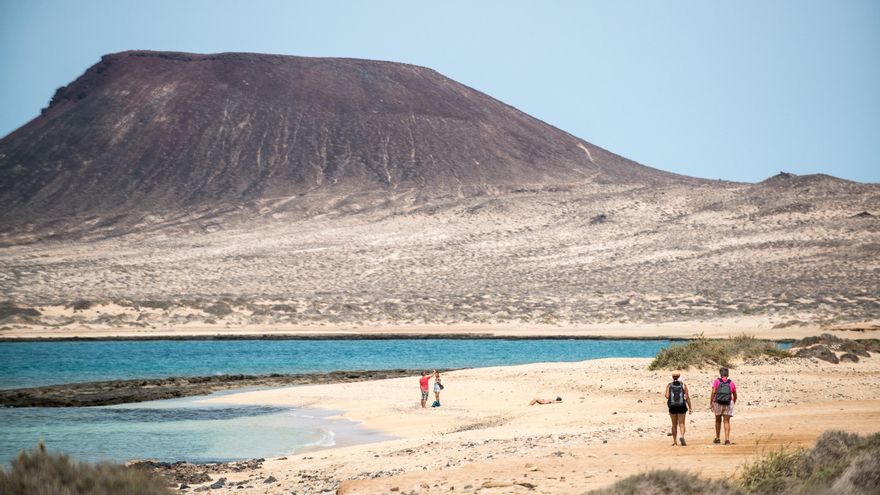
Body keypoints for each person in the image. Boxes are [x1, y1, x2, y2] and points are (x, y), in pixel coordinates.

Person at [710, 367, 737, 445]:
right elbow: (735, 395)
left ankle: (717, 438)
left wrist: (711, 402)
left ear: (720, 374)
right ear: (728, 374)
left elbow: (713, 392)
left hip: (718, 402)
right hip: (728, 403)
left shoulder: (717, 381)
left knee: (718, 420)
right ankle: (727, 440)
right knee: (726, 421)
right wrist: (733, 402)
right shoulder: (731, 383)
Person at [664, 371, 692, 446]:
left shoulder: (669, 385)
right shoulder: (683, 385)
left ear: (672, 378)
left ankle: (675, 442)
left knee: (674, 424)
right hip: (682, 406)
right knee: (682, 423)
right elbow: (687, 397)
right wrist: (690, 407)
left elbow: (666, 396)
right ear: (680, 377)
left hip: (672, 406)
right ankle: (682, 436)